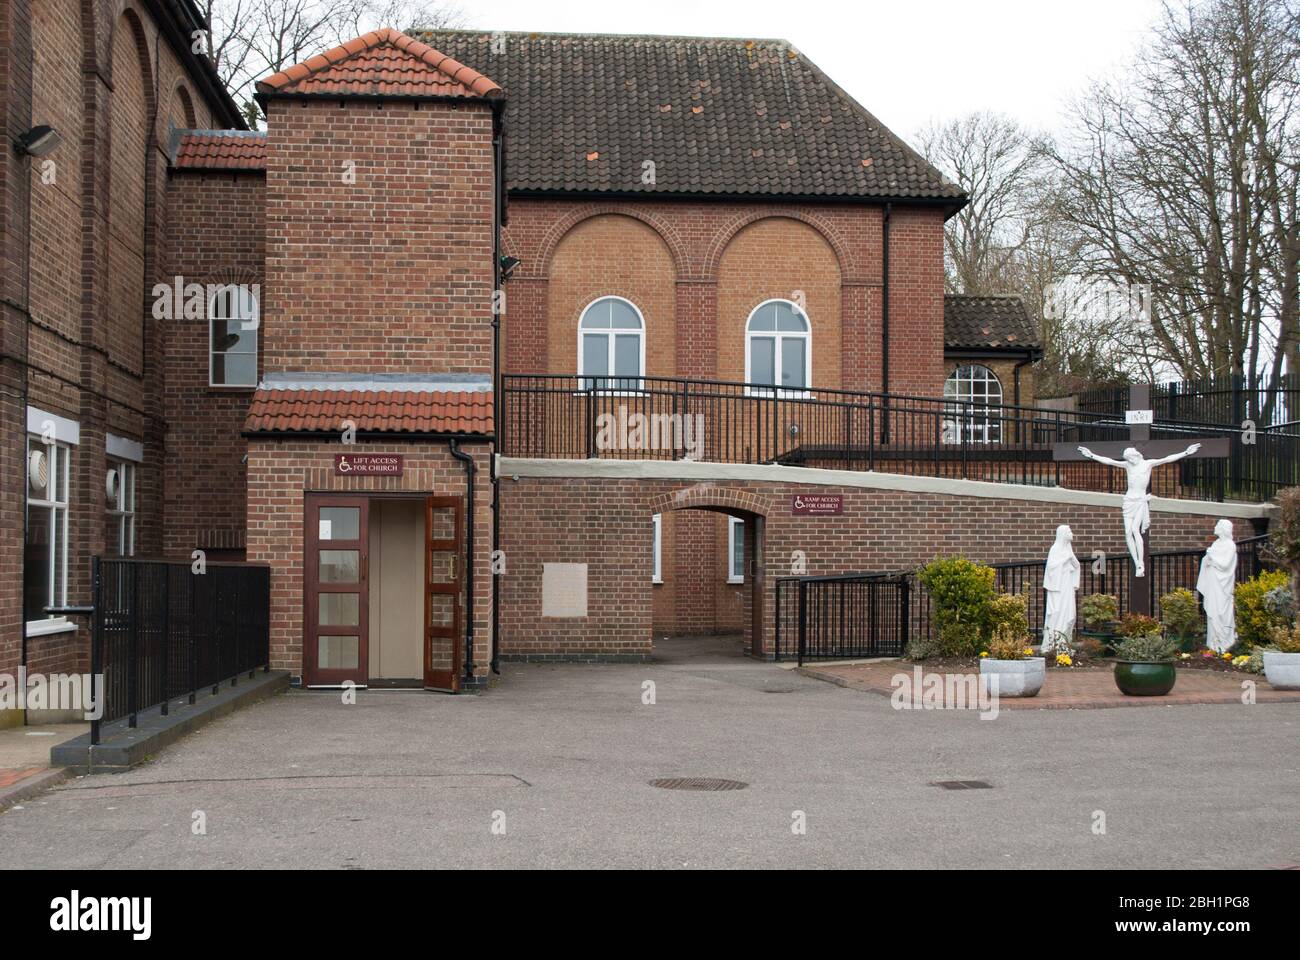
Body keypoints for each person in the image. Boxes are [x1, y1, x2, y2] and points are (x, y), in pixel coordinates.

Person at [1076, 443, 1201, 576]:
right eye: (1127, 458)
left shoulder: (1148, 464)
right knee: (1127, 532)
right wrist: (1091, 455)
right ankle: (1136, 562)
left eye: (1130, 457)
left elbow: (1167, 459)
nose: (1129, 460)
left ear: (1135, 455)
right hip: (1129, 501)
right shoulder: (1127, 465)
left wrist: (1186, 452)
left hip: (1140, 501)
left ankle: (1140, 563)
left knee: (1136, 530)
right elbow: (1110, 461)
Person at [1197, 519, 1237, 653]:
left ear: (1223, 529)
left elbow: (1225, 564)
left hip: (1223, 585)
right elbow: (1208, 561)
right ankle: (1213, 644)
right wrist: (1207, 559)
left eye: (1217, 525)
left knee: (1221, 611)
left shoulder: (1230, 545)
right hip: (1213, 582)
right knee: (1213, 610)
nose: (1215, 527)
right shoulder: (1217, 543)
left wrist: (1212, 556)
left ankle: (1224, 643)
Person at [1043, 525, 1080, 654]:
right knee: (1057, 612)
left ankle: (1064, 643)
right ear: (1063, 534)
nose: (1072, 533)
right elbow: (1051, 567)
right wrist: (1066, 560)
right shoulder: (1055, 548)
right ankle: (1053, 643)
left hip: (1067, 587)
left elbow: (1076, 565)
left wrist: (1073, 563)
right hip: (1058, 589)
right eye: (1069, 531)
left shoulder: (1069, 549)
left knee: (1070, 614)